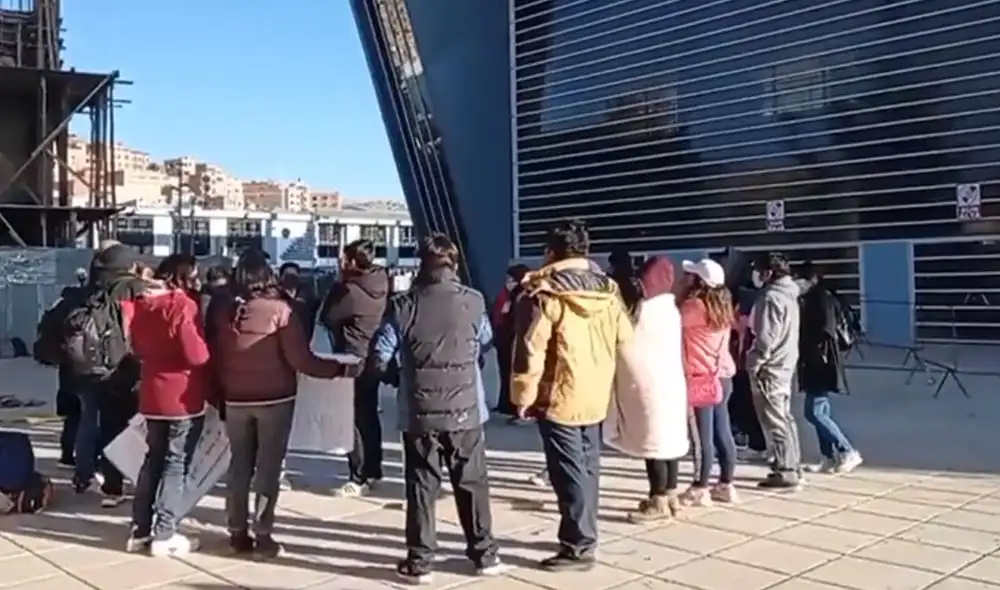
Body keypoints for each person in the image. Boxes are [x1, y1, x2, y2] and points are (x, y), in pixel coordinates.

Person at [372, 233, 503, 583]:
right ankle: (484, 553)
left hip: (419, 410)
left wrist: (397, 378)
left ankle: (421, 560)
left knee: (421, 485)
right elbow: (486, 341)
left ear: (421, 265)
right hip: (466, 410)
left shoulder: (404, 304)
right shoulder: (474, 301)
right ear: (454, 265)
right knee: (472, 482)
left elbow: (380, 354)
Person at [211, 252, 351, 559]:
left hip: (235, 400)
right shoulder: (280, 311)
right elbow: (302, 360)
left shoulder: (225, 312)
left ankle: (237, 531)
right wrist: (340, 369)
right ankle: (263, 535)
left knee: (239, 467)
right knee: (268, 469)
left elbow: (217, 358)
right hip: (274, 399)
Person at [511, 219, 632, 572]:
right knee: (588, 467)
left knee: (567, 471)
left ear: (551, 252)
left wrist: (522, 395)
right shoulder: (608, 289)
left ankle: (579, 546)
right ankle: (585, 534)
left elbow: (530, 349)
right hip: (596, 390)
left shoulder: (543, 291)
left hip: (559, 392)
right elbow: (626, 335)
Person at [124, 254, 210, 557]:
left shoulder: (142, 304)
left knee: (152, 461)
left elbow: (135, 347)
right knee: (176, 464)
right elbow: (196, 355)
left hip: (152, 395)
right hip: (182, 397)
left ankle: (140, 531)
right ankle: (166, 532)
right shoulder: (181, 305)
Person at [604, 256, 688, 522]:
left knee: (653, 446)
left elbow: (629, 343)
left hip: (651, 386)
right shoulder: (671, 308)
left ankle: (658, 500)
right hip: (672, 384)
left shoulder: (646, 310)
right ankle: (672, 495)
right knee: (669, 444)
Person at [73, 244, 147, 504]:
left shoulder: (94, 289)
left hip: (101, 368)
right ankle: (142, 482)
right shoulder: (135, 289)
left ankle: (112, 488)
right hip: (131, 366)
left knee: (110, 427)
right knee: (141, 428)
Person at [320, 239, 390, 497]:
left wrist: (338, 282)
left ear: (351, 262)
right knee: (369, 415)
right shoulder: (382, 282)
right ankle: (373, 469)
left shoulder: (348, 290)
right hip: (373, 358)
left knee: (354, 420)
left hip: (352, 358)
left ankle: (358, 475)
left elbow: (326, 316)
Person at [677, 259, 739, 506]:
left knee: (701, 437)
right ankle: (726, 483)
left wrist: (680, 291)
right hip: (722, 375)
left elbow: (671, 320)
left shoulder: (692, 308)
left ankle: (699, 487)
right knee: (722, 431)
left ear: (699, 282)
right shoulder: (723, 306)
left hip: (700, 378)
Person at [798, 262, 863, 474]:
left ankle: (847, 450)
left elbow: (824, 330)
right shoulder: (822, 296)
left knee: (813, 412)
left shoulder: (819, 299)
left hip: (820, 361)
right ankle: (828, 456)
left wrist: (808, 349)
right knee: (821, 409)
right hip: (821, 360)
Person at [748, 252, 804, 489]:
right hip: (785, 364)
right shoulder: (790, 295)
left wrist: (754, 362)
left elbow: (765, 338)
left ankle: (785, 469)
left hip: (771, 369)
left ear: (768, 273)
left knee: (774, 419)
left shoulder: (770, 298)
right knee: (785, 417)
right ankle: (793, 463)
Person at [492, 264, 530, 420]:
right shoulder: (508, 294)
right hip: (506, 339)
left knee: (514, 374)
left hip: (513, 339)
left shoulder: (520, 295)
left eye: (511, 279)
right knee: (507, 373)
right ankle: (507, 404)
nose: (508, 282)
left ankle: (514, 405)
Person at [279, 262, 319, 341]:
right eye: (287, 275)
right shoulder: (277, 297)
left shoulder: (307, 296)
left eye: (293, 275)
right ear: (281, 278)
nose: (290, 278)